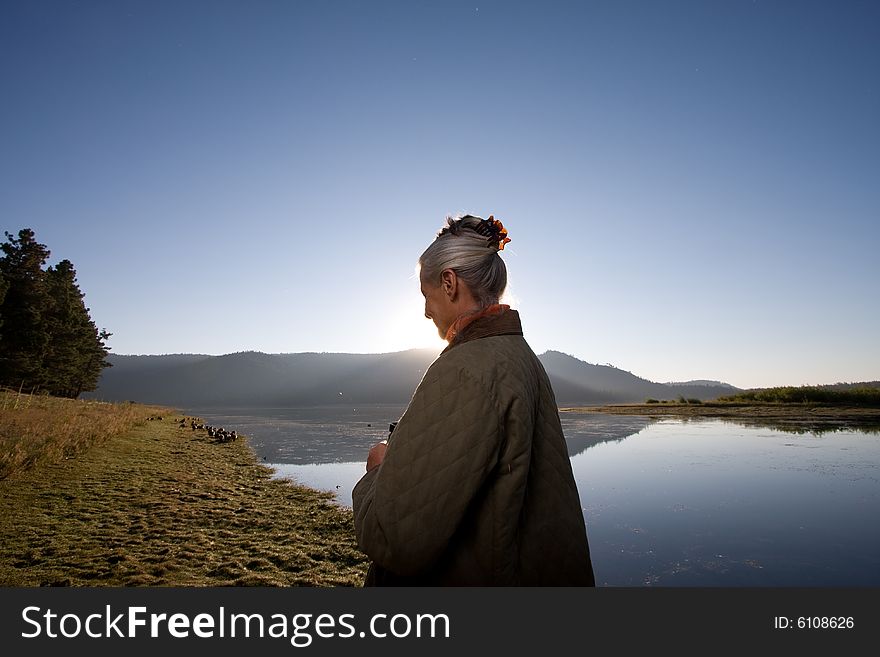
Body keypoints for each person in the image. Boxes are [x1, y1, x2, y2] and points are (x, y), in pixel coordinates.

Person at [352, 214, 595, 586]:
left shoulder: (467, 370)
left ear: (448, 283)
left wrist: (377, 471)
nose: (425, 310)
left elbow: (396, 539)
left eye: (426, 295)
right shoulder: (521, 358)